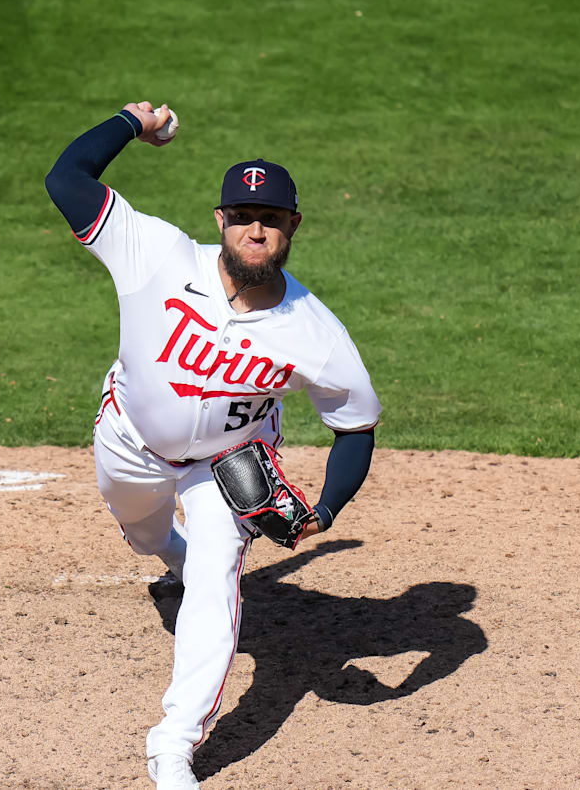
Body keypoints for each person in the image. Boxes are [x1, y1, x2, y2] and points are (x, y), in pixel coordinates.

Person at [44, 101, 381, 790]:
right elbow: (66, 179)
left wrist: (328, 511)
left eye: (273, 220)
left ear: (293, 227)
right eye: (245, 216)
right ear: (222, 220)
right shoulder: (157, 253)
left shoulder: (314, 330)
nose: (258, 230)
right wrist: (130, 124)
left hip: (229, 468)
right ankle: (171, 550)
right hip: (131, 440)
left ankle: (174, 746)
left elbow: (356, 425)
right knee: (141, 530)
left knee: (217, 575)